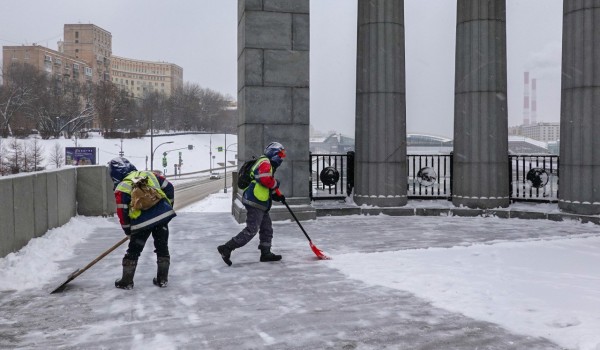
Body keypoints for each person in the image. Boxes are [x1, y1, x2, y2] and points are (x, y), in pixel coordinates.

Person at [109, 157, 176, 289]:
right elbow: (169, 188)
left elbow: (122, 213)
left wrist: (129, 232)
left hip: (141, 223)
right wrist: (167, 206)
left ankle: (126, 281)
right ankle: (162, 279)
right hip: (161, 218)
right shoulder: (150, 175)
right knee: (162, 247)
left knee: (134, 250)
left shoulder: (122, 187)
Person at [217, 142, 287, 266]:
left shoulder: (266, 162)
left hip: (261, 201)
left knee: (266, 228)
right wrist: (276, 184)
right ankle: (227, 248)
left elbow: (265, 183)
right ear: (273, 152)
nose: (281, 157)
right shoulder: (265, 162)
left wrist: (278, 194)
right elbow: (265, 179)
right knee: (251, 230)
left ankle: (266, 253)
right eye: (280, 154)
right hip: (255, 200)